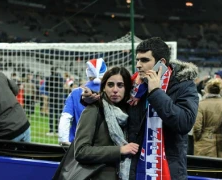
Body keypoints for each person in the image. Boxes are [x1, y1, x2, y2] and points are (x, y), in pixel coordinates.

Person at [82, 37, 199, 180]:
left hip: (168, 170)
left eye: (144, 60)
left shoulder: (184, 86)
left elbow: (184, 123)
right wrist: (92, 100)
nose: (138, 65)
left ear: (160, 63)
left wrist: (156, 92)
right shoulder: (137, 87)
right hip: (136, 169)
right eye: (137, 60)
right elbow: (114, 105)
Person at [74, 66, 139, 180]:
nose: (115, 89)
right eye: (110, 85)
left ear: (127, 88)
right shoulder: (94, 109)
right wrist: (119, 150)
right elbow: (81, 151)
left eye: (120, 85)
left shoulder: (130, 112)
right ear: (103, 87)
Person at [58, 58, 107, 145]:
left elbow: (65, 118)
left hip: (77, 146)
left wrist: (63, 140)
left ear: (88, 73)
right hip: (103, 147)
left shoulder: (75, 93)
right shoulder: (112, 93)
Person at [193, 78, 222, 158]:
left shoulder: (201, 105)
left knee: (206, 169)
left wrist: (198, 139)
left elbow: (197, 128)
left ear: (207, 90)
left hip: (204, 146)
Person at [45, 67, 64, 136]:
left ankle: (51, 131)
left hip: (52, 97)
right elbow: (62, 88)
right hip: (59, 97)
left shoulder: (49, 78)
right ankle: (57, 130)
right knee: (57, 114)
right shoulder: (60, 78)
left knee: (51, 113)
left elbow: (46, 88)